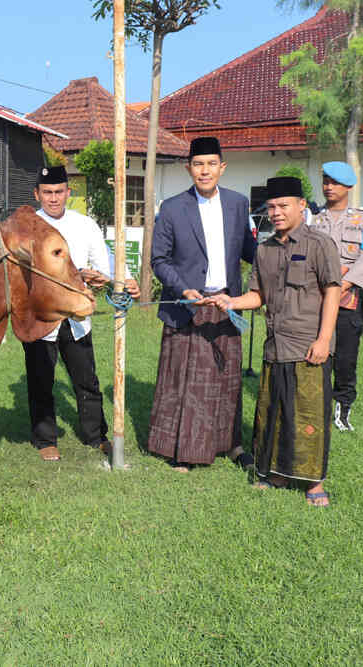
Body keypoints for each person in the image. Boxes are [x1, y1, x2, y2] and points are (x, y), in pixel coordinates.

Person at [202, 176, 341, 506]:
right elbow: (257, 295)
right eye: (272, 207)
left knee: (309, 414)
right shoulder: (264, 250)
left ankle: (313, 482)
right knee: (274, 412)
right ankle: (276, 473)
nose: (277, 212)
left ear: (301, 206)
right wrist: (229, 301)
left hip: (308, 345)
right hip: (275, 345)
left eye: (284, 206)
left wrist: (324, 340)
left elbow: (332, 292)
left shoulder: (319, 245)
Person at [147, 137, 257, 472]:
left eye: (211, 164)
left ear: (222, 167)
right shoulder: (172, 207)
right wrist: (184, 288)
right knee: (182, 382)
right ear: (189, 168)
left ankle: (230, 444)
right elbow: (159, 259)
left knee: (225, 381)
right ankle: (180, 448)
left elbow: (251, 253)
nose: (204, 170)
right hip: (188, 305)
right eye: (198, 164)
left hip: (226, 303)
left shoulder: (238, 204)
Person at [23, 165, 140, 461]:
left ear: (68, 192)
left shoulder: (85, 225)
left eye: (58, 192)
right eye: (47, 193)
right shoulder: (27, 226)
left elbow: (105, 260)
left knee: (86, 378)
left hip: (77, 316)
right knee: (41, 380)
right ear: (37, 194)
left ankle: (94, 434)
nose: (53, 199)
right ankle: (45, 439)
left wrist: (121, 278)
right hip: (41, 316)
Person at [306, 161, 363, 432]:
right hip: (315, 299)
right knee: (317, 354)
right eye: (325, 181)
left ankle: (343, 408)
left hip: (346, 302)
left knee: (346, 358)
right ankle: (318, 406)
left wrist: (344, 285)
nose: (328, 187)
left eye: (334, 182)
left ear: (349, 186)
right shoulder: (312, 218)